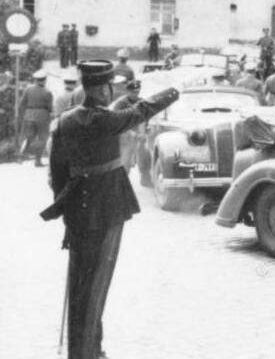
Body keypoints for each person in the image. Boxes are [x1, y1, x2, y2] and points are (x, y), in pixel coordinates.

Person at [43, 60, 179, 359]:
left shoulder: (65, 121)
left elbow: (57, 172)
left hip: (78, 209)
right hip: (106, 209)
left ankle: (91, 347)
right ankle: (84, 353)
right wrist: (174, 91)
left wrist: (66, 212)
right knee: (96, 284)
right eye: (110, 86)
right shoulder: (105, 120)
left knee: (82, 284)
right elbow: (142, 110)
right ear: (103, 88)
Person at [18, 69, 54, 166]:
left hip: (29, 114)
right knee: (42, 138)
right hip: (42, 116)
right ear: (45, 80)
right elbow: (50, 108)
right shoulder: (47, 92)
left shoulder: (28, 89)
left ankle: (21, 156)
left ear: (35, 80)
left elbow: (22, 103)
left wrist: (21, 115)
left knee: (28, 137)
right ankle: (37, 160)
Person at [110, 79, 144, 172]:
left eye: (138, 92)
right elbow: (116, 122)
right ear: (127, 91)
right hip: (124, 137)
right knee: (125, 162)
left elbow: (144, 118)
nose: (136, 94)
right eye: (133, 92)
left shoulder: (141, 102)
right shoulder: (121, 104)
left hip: (138, 136)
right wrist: (129, 132)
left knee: (143, 158)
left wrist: (142, 132)